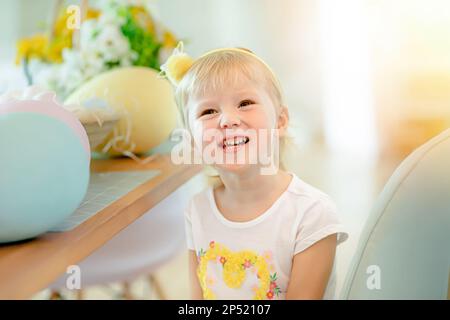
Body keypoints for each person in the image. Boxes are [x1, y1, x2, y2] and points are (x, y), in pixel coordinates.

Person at [160, 42, 348, 300]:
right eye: (208, 111)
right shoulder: (198, 210)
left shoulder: (312, 213)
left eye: (245, 103)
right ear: (192, 140)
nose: (228, 120)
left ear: (280, 121)